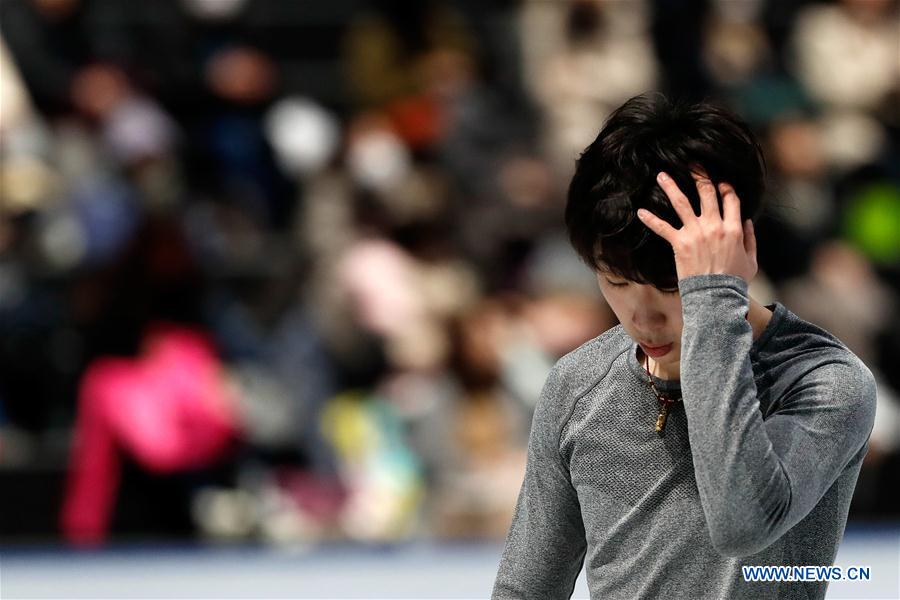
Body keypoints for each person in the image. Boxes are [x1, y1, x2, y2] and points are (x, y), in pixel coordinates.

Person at [491, 93, 877, 599]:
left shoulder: (824, 382)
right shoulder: (578, 383)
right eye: (616, 281)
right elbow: (526, 588)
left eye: (674, 286)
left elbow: (741, 523)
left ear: (738, 249)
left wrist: (713, 298)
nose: (643, 317)